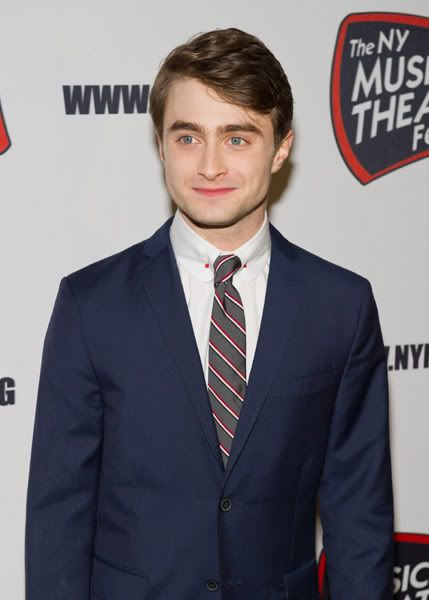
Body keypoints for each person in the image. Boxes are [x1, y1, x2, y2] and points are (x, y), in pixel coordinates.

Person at [25, 27, 394, 599]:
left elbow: (360, 518)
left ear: (281, 148)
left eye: (238, 138)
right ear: (161, 145)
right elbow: (58, 522)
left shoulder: (340, 307)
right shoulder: (90, 305)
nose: (210, 165)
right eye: (188, 137)